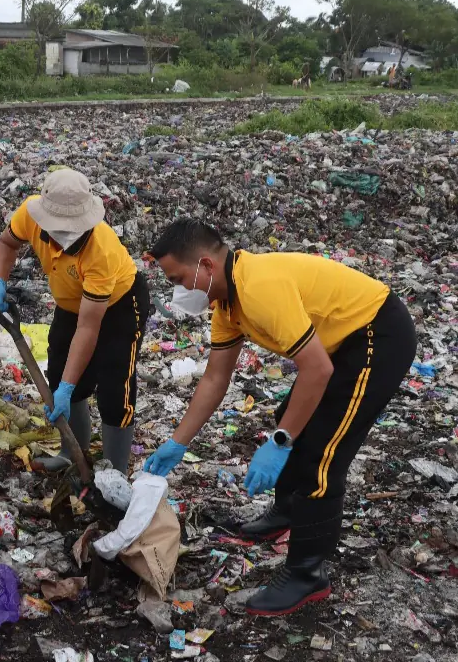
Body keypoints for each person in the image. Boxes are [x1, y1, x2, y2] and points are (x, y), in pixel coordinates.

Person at [144, 219, 416, 617]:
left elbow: (318, 371)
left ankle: (307, 575)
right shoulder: (226, 302)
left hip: (377, 335)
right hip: (339, 342)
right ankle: (288, 511)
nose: (179, 289)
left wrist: (280, 442)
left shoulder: (258, 289)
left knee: (321, 455)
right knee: (289, 415)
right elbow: (216, 378)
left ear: (204, 266)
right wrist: (178, 441)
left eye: (179, 278)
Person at [0, 168, 150, 474]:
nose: (65, 239)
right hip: (70, 304)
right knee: (60, 373)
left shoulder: (101, 249)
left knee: (115, 388)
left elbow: (89, 328)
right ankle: (72, 453)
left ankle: (114, 472)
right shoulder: (29, 215)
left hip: (121, 305)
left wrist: (68, 387)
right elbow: (6, 244)